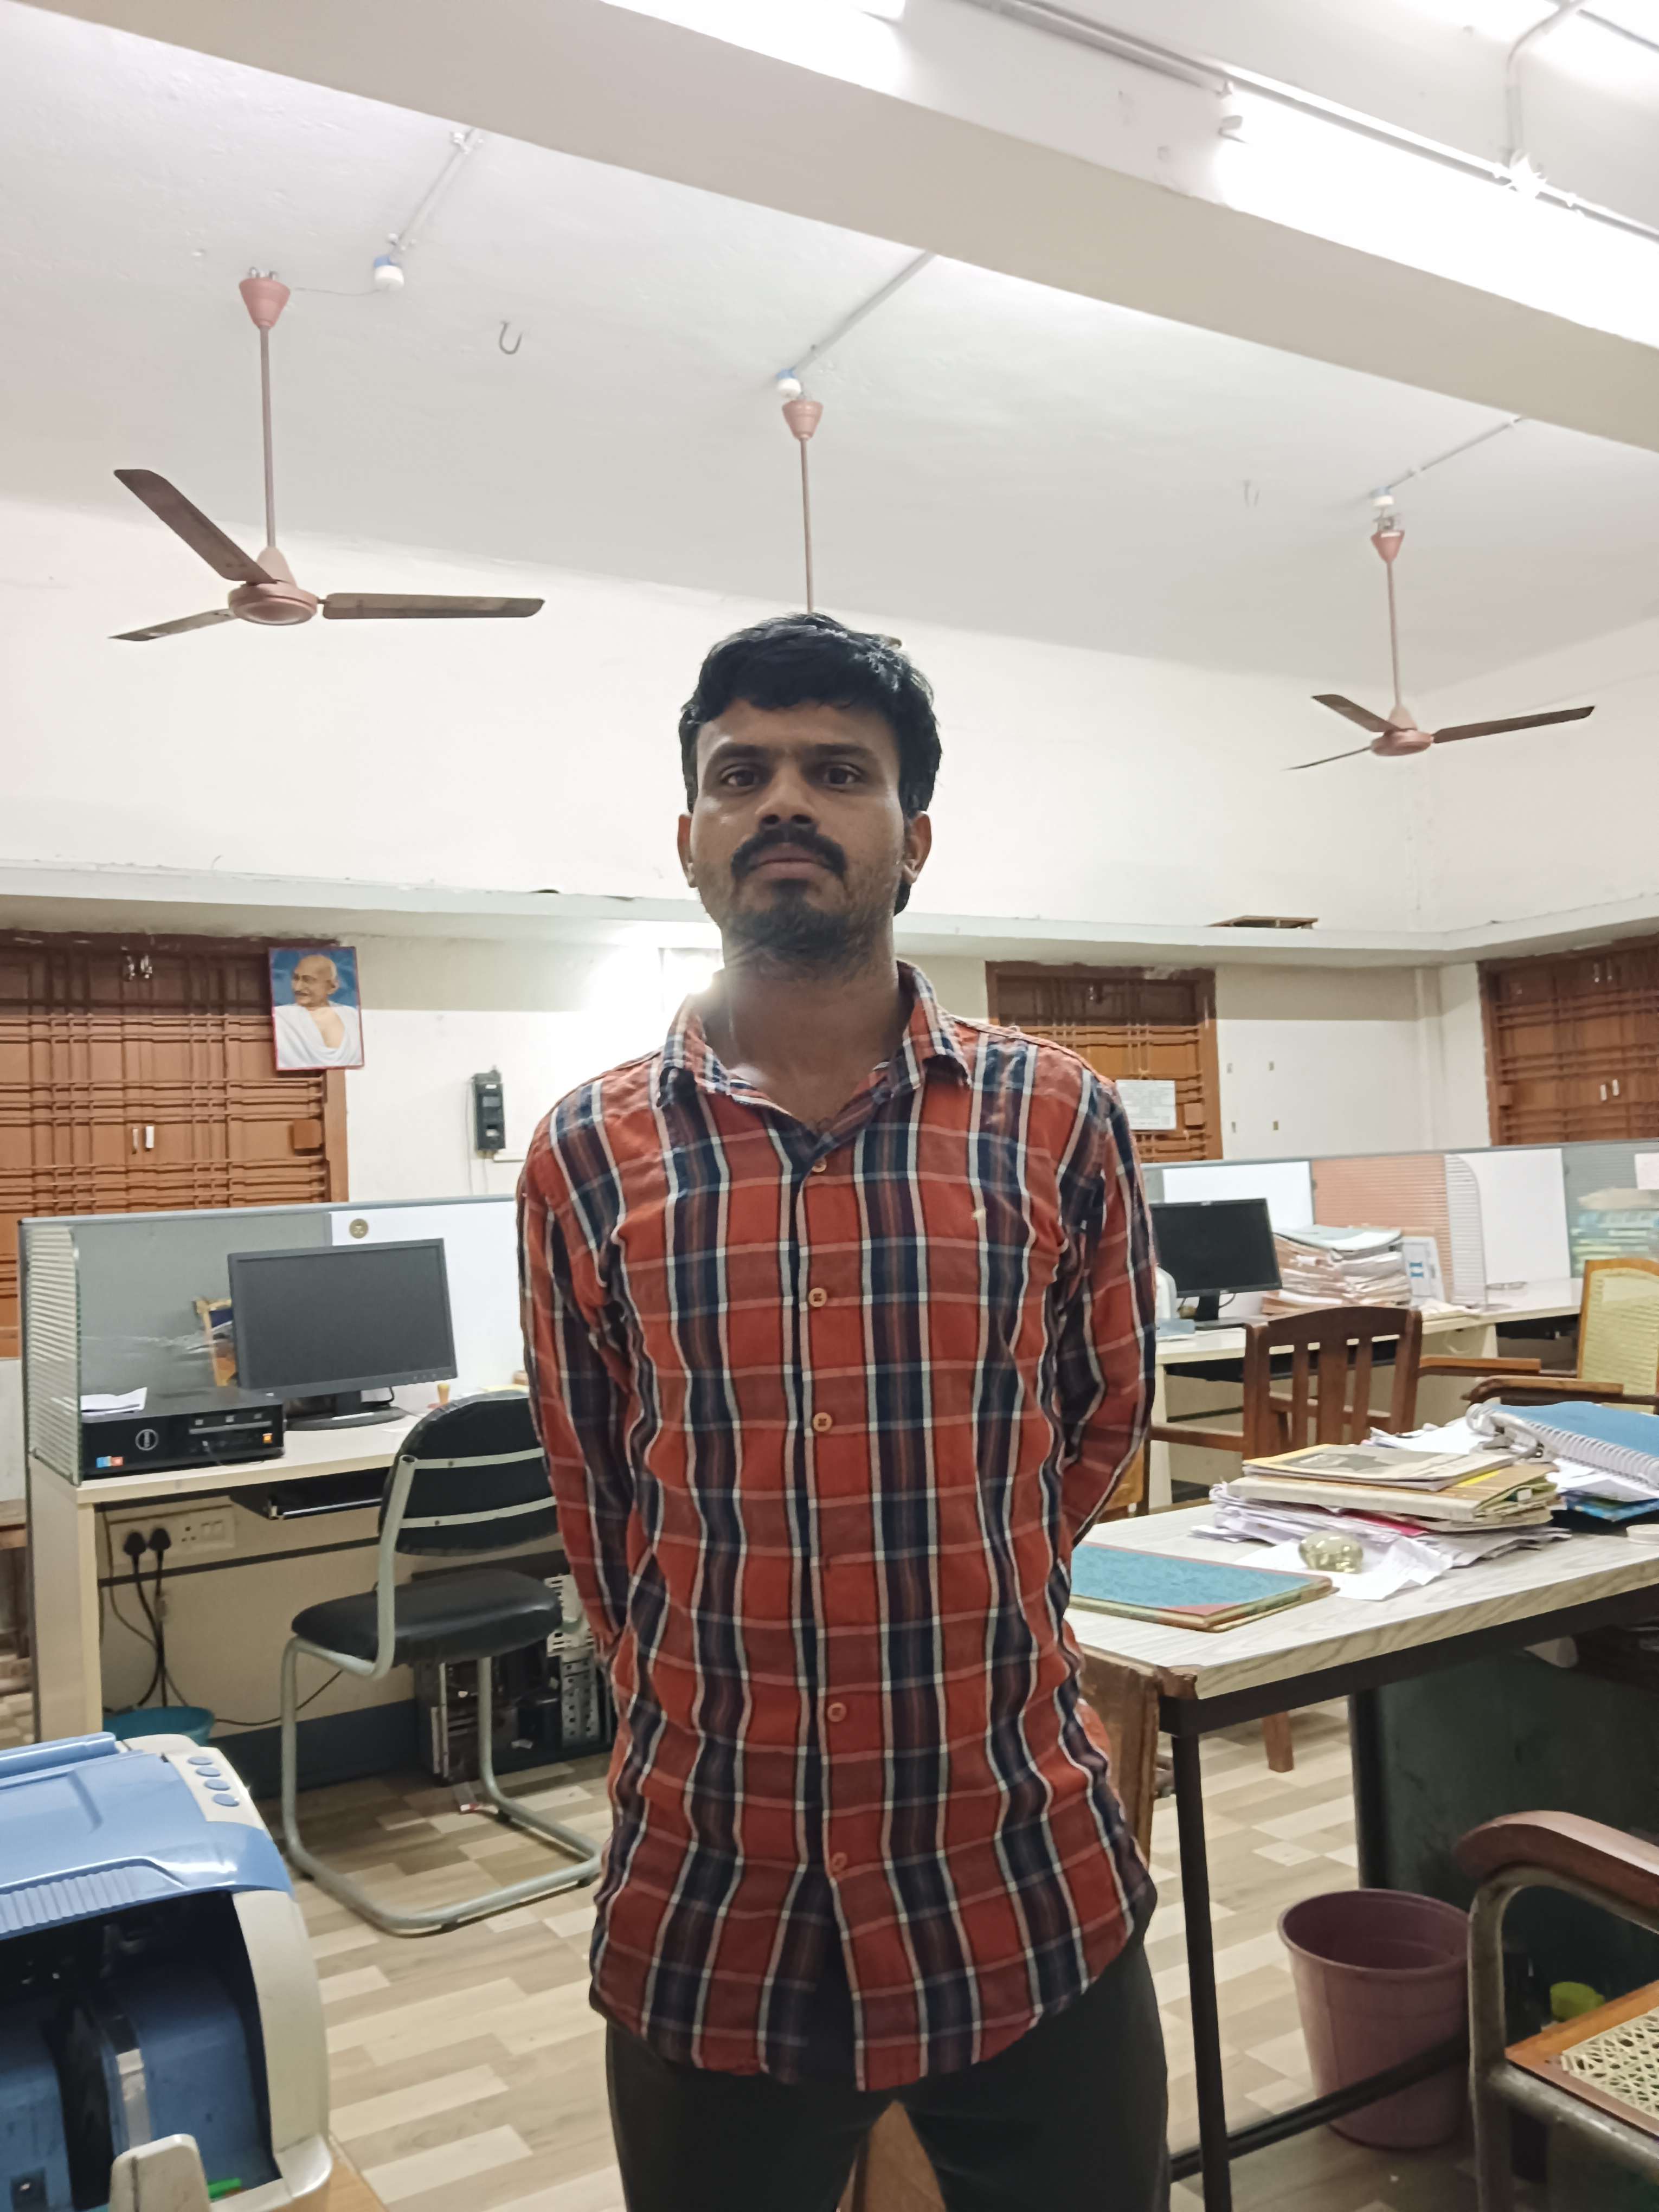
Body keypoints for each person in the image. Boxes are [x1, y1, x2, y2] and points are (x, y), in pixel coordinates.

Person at [519, 613, 1164, 2212]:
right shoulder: (584, 1154)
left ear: (913, 837)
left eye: (838, 771)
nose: (785, 802)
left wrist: (969, 1574)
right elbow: (599, 1505)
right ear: (690, 835)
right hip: (712, 1883)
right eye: (741, 773)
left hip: (1015, 1862)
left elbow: (1101, 1418)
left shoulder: (1056, 1115)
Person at [272, 951, 363, 1069]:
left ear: (332, 987)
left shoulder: (351, 1016)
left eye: (308, 980)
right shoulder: (281, 1017)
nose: (298, 987)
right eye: (295, 979)